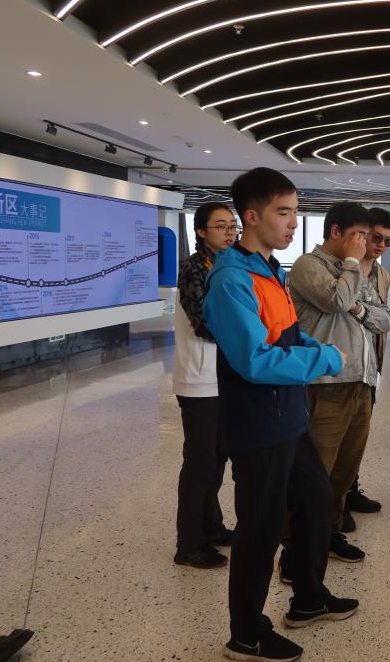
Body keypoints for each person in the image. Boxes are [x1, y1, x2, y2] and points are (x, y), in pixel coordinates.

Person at [204, 168, 357, 662]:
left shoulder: (269, 268)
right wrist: (326, 359)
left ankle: (309, 598)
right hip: (259, 423)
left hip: (289, 415)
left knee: (314, 499)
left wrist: (316, 346)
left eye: (295, 212)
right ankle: (246, 633)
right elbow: (254, 360)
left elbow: (287, 333)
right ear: (252, 216)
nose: (293, 222)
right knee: (261, 528)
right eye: (283, 212)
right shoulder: (231, 279)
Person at [287, 201, 390, 569]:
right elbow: (336, 300)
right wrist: (351, 267)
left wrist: (358, 308)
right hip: (325, 385)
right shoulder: (309, 266)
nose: (365, 243)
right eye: (359, 235)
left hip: (361, 383)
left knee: (344, 472)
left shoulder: (354, 272)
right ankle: (296, 550)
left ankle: (329, 534)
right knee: (315, 473)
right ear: (336, 232)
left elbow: (384, 321)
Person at [172, 201, 236, 570]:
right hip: (198, 380)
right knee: (199, 463)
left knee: (216, 459)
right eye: (220, 226)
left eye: (232, 226)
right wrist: (246, 331)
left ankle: (212, 527)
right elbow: (204, 322)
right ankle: (188, 544)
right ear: (200, 231)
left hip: (222, 377)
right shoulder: (193, 268)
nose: (229, 232)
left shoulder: (227, 266)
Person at [339, 207, 390, 532]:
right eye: (376, 238)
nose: (381, 245)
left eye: (388, 241)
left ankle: (351, 490)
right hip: (341, 364)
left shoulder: (382, 274)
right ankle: (336, 501)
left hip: (371, 364)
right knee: (339, 436)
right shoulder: (343, 267)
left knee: (358, 435)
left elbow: (383, 320)